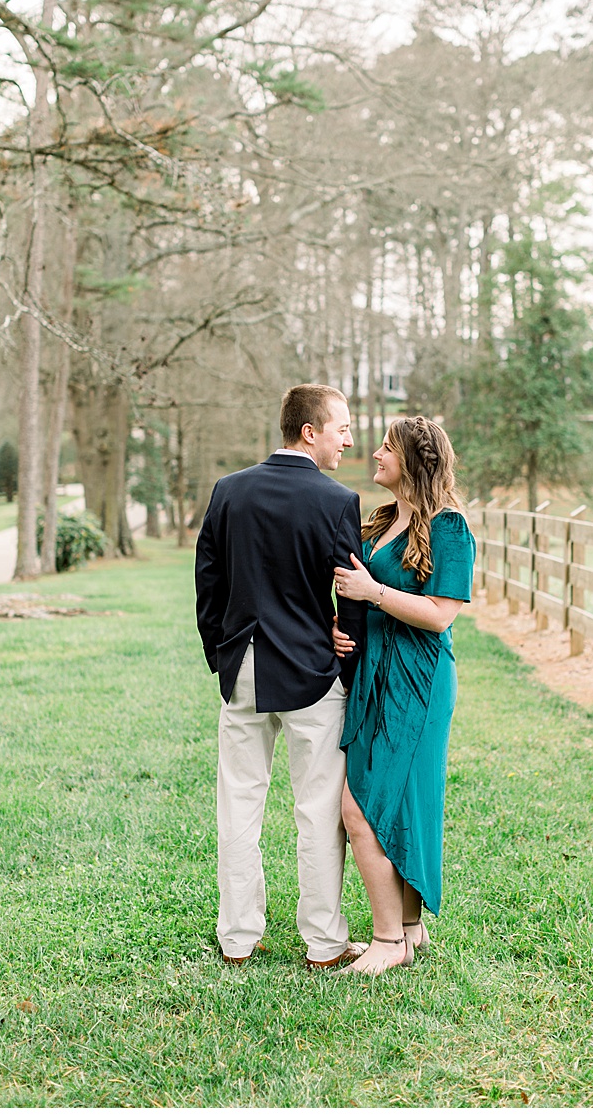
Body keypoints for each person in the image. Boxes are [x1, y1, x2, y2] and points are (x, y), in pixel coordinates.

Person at [195, 383, 367, 970]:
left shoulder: (229, 491)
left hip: (241, 666)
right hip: (312, 673)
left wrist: (220, 654)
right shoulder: (337, 501)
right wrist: (344, 645)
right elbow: (353, 590)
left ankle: (237, 938)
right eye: (341, 427)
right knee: (316, 807)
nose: (349, 439)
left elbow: (208, 584)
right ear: (310, 431)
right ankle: (324, 943)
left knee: (238, 803)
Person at [329, 415, 474, 976]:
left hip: (419, 680)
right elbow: (355, 597)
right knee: (394, 802)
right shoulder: (382, 521)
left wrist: (375, 591)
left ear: (416, 459)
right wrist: (336, 626)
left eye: (387, 446)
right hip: (373, 674)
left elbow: (440, 617)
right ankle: (410, 932)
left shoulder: (450, 527)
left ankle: (386, 940)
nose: (374, 452)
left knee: (360, 806)